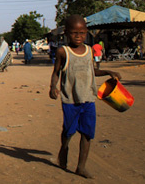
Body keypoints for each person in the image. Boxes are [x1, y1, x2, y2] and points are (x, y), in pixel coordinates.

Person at [49, 15, 121, 178]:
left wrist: (108, 72)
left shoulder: (89, 50)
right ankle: (64, 148)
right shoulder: (63, 52)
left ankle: (81, 167)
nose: (78, 36)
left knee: (87, 134)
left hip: (88, 99)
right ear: (66, 33)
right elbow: (56, 72)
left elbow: (92, 71)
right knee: (68, 131)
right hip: (70, 100)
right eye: (74, 33)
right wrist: (52, 87)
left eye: (82, 33)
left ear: (86, 32)